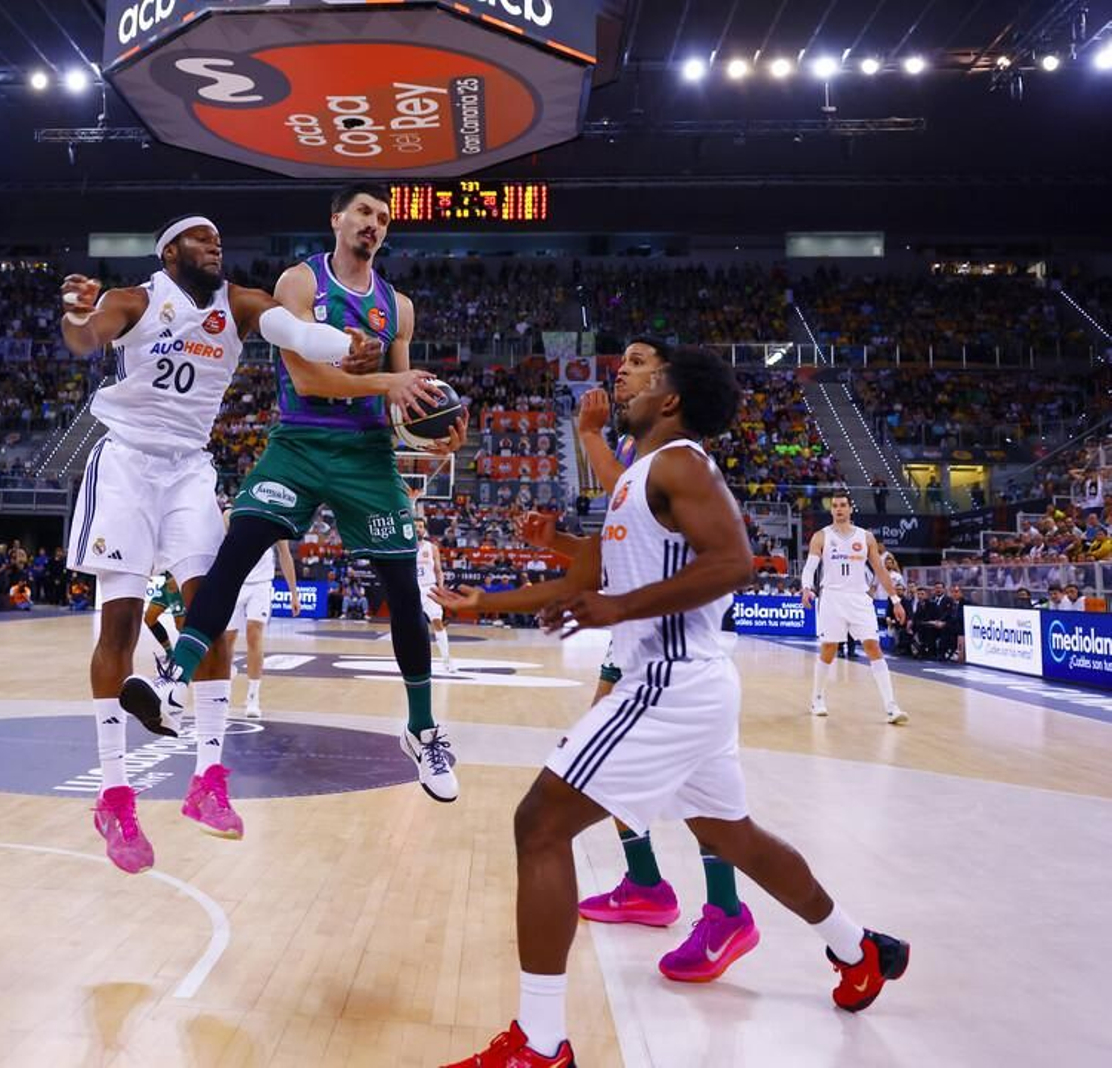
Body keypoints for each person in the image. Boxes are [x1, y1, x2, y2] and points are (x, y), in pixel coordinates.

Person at [435, 346, 908, 1067]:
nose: (627, 383)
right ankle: (858, 947)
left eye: (646, 376)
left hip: (668, 683)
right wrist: (488, 601)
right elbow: (593, 574)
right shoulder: (640, 477)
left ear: (671, 400)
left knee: (539, 824)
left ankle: (540, 1046)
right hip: (695, 686)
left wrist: (620, 608)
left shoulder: (681, 464)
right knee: (735, 838)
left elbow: (734, 562)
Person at [118, 185, 468, 803]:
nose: (374, 224)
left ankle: (422, 730)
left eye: (384, 219)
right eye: (364, 212)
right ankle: (174, 679)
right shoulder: (299, 283)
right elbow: (307, 378)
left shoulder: (399, 308)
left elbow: (401, 402)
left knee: (404, 591)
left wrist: (429, 436)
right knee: (237, 551)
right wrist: (388, 384)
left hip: (366, 455)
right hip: (299, 443)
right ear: (337, 219)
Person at [59, 213, 386, 871]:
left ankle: (208, 780)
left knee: (213, 617)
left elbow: (295, 331)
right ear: (170, 252)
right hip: (125, 464)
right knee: (119, 627)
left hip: (188, 468)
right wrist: (74, 312)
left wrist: (343, 344)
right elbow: (86, 338)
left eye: (218, 240)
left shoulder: (238, 303)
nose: (215, 246)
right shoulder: (136, 300)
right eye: (201, 240)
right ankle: (114, 795)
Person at [548, 341, 752, 980]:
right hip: (638, 640)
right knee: (689, 793)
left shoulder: (670, 454)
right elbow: (618, 535)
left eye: (639, 362)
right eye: (625, 361)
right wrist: (558, 545)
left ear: (669, 388)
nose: (623, 369)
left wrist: (587, 435)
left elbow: (625, 492)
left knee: (593, 785)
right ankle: (654, 887)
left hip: (673, 642)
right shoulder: (640, 446)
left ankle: (706, 903)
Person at [802, 493, 910, 724]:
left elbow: (880, 570)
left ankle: (891, 706)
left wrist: (895, 600)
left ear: (850, 509)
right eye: (835, 506)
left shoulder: (866, 537)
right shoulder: (821, 536)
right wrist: (806, 588)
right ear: (832, 510)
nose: (839, 509)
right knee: (829, 648)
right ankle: (817, 699)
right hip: (832, 597)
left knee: (873, 646)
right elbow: (810, 567)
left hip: (859, 598)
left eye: (843, 505)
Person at [220, 511, 301, 719]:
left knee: (254, 634)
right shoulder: (230, 514)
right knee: (226, 641)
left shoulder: (276, 516)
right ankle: (223, 693)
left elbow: (285, 555)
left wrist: (294, 593)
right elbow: (219, 549)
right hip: (235, 583)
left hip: (261, 584)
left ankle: (253, 697)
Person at [410, 491, 455, 675]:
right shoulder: (404, 546)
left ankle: (447, 661)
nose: (418, 529)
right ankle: (411, 661)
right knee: (410, 627)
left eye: (421, 527)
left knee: (437, 623)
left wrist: (441, 588)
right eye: (415, 526)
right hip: (411, 589)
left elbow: (438, 570)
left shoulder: (432, 548)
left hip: (430, 589)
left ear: (425, 530)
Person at [143, 572, 187, 656]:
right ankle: (170, 654)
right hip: (167, 583)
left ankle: (192, 658)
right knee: (149, 618)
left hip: (176, 581)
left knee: (181, 626)